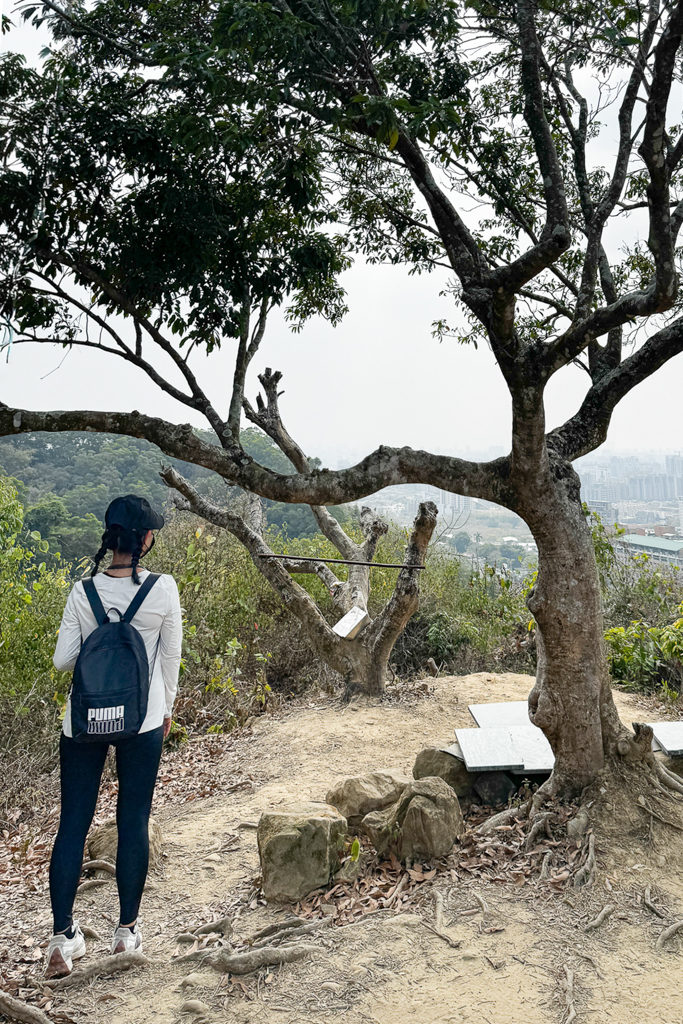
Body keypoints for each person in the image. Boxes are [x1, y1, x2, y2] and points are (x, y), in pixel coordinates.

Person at [45, 495, 182, 978]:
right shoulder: (163, 590)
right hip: (142, 721)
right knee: (132, 820)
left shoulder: (83, 591)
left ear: (111, 538)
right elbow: (170, 658)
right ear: (144, 540)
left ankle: (62, 940)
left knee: (73, 824)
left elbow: (64, 660)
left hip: (83, 721)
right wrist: (165, 710)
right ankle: (126, 933)